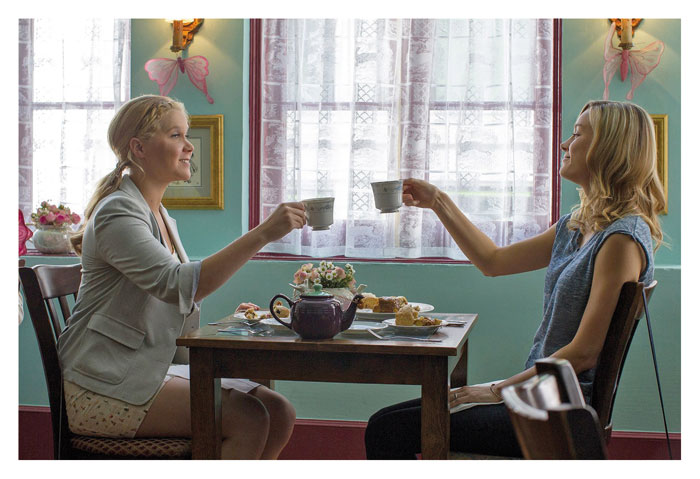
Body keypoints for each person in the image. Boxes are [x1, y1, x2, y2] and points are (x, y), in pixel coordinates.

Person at [364, 100, 665, 459]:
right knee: (383, 422)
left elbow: (584, 352)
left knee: (388, 430)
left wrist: (498, 390)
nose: (565, 144)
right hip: (537, 395)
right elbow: (493, 261)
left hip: (558, 411)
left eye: (577, 134)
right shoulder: (577, 225)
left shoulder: (621, 240)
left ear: (609, 148)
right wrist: (438, 201)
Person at [58, 95, 307, 459]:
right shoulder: (118, 213)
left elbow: (177, 295)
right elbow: (178, 284)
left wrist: (234, 323)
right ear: (139, 148)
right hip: (100, 387)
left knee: (280, 412)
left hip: (144, 370)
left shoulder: (158, 214)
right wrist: (263, 233)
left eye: (185, 135)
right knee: (249, 417)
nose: (189, 146)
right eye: (176, 135)